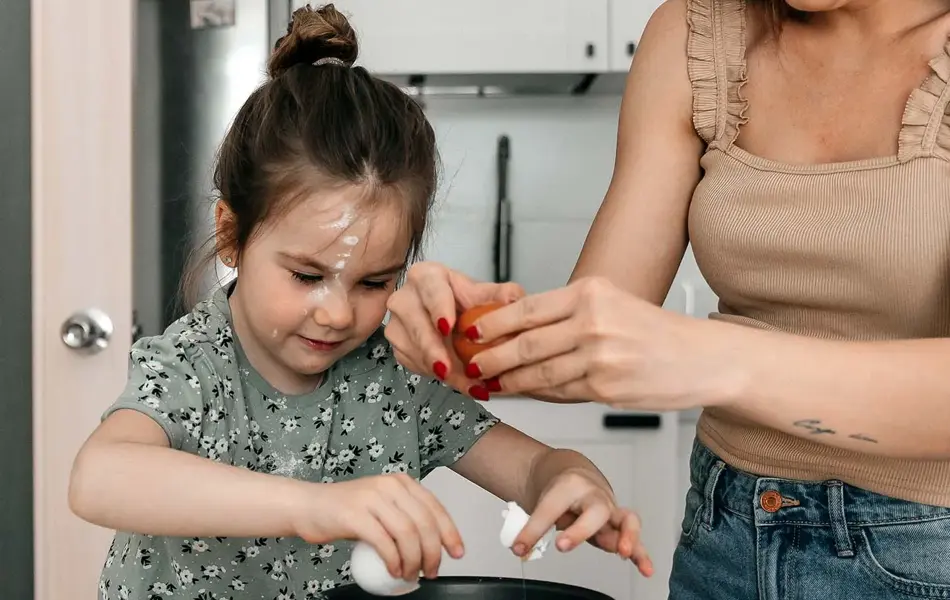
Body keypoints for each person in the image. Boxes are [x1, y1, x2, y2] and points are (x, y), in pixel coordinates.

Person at [67, 6, 654, 600]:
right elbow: (101, 477)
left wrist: (573, 480)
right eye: (306, 275)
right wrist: (314, 507)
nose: (338, 313)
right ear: (230, 235)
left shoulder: (395, 377)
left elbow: (531, 469)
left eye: (374, 283)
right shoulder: (192, 367)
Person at [383, 0, 950, 598]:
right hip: (726, 536)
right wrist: (460, 331)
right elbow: (585, 340)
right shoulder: (695, 35)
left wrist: (712, 358)